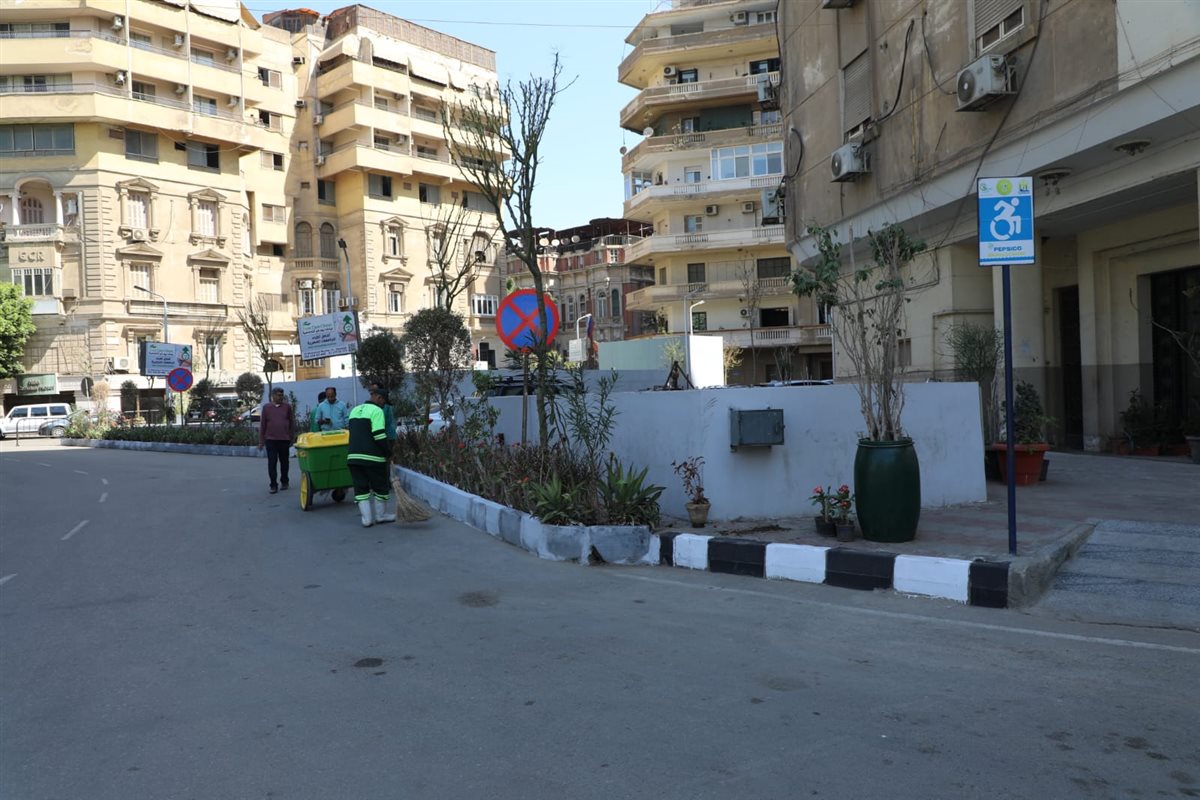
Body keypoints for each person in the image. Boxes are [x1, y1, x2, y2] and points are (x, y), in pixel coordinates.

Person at [346, 386, 395, 527]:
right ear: (379, 398)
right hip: (373, 458)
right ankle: (381, 516)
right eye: (384, 402)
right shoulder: (377, 411)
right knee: (380, 487)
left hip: (354, 457)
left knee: (361, 489)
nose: (384, 405)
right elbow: (379, 435)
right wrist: (388, 452)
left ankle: (366, 519)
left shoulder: (354, 410)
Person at [258, 388, 295, 494]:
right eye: (278, 395)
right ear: (273, 396)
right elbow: (263, 425)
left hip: (284, 439)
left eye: (281, 395)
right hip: (271, 440)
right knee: (272, 463)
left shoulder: (287, 407)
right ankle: (273, 485)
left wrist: (291, 437)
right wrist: (261, 441)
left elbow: (291, 422)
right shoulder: (266, 407)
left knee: (284, 462)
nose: (280, 397)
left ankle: (285, 481)